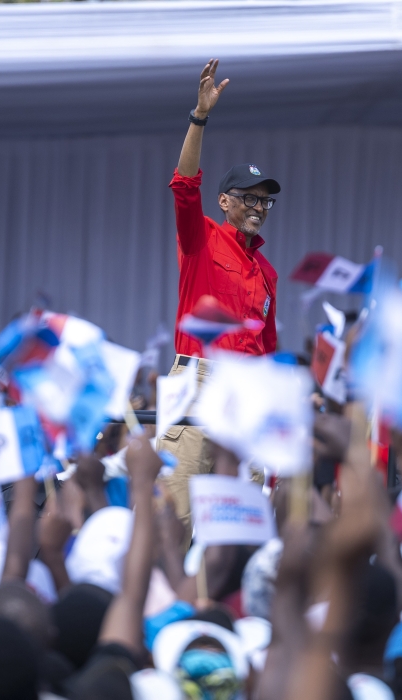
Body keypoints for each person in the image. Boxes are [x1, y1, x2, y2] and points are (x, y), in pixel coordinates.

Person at [162, 58, 283, 526]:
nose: (259, 207)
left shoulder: (267, 271)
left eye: (265, 200)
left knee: (239, 522)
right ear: (224, 201)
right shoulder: (201, 238)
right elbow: (183, 185)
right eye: (249, 197)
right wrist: (199, 117)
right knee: (176, 515)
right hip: (198, 380)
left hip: (247, 393)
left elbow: (267, 347)